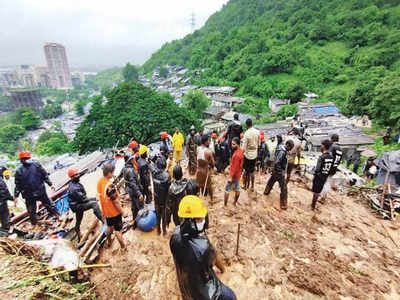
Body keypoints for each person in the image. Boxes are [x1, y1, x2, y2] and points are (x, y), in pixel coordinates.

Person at [170, 195, 236, 300]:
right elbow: (214, 261)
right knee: (231, 296)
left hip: (186, 287)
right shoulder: (203, 247)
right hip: (205, 292)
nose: (203, 221)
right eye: (200, 219)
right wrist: (223, 270)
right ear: (190, 222)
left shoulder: (174, 235)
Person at [14, 150, 59, 225]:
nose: (25, 160)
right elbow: (18, 185)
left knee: (49, 204)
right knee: (31, 211)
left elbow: (44, 175)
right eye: (24, 159)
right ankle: (34, 224)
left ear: (29, 158)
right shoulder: (19, 171)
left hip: (40, 191)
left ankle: (58, 216)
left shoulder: (36, 165)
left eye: (27, 158)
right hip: (29, 195)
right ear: (21, 160)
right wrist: (15, 197)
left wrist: (51, 184)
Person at [67, 169, 103, 238]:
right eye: (76, 175)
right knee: (94, 204)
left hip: (77, 203)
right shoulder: (73, 189)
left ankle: (77, 230)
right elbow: (83, 199)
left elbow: (82, 197)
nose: (78, 175)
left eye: (78, 174)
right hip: (77, 205)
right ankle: (103, 220)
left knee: (79, 218)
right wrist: (94, 198)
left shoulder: (75, 183)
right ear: (72, 177)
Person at [97, 164, 126, 249]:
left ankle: (109, 241)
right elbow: (116, 202)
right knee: (118, 230)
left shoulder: (100, 181)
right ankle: (123, 246)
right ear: (109, 173)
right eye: (112, 172)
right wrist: (123, 212)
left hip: (106, 211)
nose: (113, 173)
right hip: (114, 212)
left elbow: (100, 195)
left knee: (109, 226)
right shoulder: (110, 186)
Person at [264, 140, 294, 210]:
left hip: (275, 170)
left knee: (271, 182)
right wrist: (281, 172)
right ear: (287, 145)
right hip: (279, 172)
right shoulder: (282, 152)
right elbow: (278, 162)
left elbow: (276, 161)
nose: (290, 150)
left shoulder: (280, 147)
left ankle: (266, 192)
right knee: (284, 188)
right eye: (290, 148)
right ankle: (283, 204)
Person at [150, 157, 171, 235]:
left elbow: (151, 167)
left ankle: (158, 231)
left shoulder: (154, 173)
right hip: (165, 200)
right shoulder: (167, 176)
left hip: (156, 198)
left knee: (157, 216)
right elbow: (169, 190)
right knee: (164, 217)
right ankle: (164, 232)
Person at [311, 140, 334, 210]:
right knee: (318, 191)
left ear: (324, 146)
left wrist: (314, 175)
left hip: (319, 176)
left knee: (315, 191)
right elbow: (331, 168)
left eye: (321, 145)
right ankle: (313, 204)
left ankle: (313, 205)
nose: (321, 146)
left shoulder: (322, 157)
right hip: (324, 177)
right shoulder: (331, 157)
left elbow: (317, 169)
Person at [321, 134, 343, 202]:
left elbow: (328, 156)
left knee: (324, 182)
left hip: (329, 167)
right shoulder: (340, 149)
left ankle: (323, 197)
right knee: (327, 181)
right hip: (334, 168)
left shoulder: (332, 147)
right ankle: (324, 196)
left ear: (332, 139)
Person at [122, 155, 144, 225]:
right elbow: (133, 183)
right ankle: (142, 222)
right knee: (140, 206)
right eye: (131, 159)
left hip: (130, 190)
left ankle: (135, 221)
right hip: (134, 190)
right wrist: (139, 193)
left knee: (134, 206)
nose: (132, 160)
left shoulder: (124, 168)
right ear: (129, 161)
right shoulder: (131, 170)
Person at [224, 137, 244, 206]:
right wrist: (230, 166)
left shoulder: (236, 155)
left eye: (233, 144)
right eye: (232, 144)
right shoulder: (241, 151)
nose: (232, 145)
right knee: (237, 189)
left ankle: (225, 206)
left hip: (234, 176)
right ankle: (234, 203)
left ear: (238, 144)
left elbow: (234, 168)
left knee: (227, 190)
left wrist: (230, 177)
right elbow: (239, 164)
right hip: (238, 174)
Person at [196, 135, 215, 203]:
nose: (209, 142)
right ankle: (212, 199)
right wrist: (210, 164)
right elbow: (213, 163)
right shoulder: (208, 152)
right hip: (205, 171)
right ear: (205, 141)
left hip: (198, 171)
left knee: (199, 185)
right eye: (209, 140)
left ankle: (199, 198)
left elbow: (198, 158)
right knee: (209, 186)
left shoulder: (197, 149)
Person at [242, 119, 260, 191]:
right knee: (252, 171)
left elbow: (243, 147)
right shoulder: (257, 132)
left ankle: (246, 186)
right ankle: (252, 186)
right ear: (252, 123)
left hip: (248, 155)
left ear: (246, 125)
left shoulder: (246, 133)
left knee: (246, 171)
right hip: (255, 154)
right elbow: (259, 144)